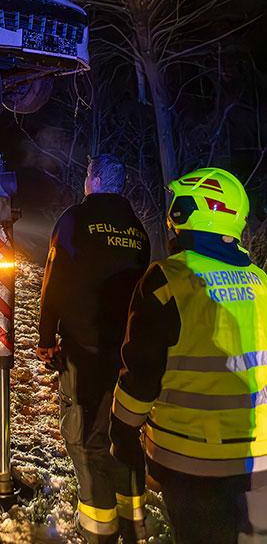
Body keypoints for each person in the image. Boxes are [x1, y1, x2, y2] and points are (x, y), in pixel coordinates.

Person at [110, 167, 267, 544]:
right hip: (260, 459)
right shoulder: (262, 282)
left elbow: (141, 374)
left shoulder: (167, 280)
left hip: (190, 461)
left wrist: (122, 425)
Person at [37, 154, 151, 543]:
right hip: (126, 356)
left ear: (96, 180)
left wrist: (46, 339)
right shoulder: (137, 229)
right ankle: (134, 523)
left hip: (84, 352)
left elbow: (55, 280)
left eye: (88, 174)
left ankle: (99, 530)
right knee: (121, 436)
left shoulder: (75, 220)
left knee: (85, 440)